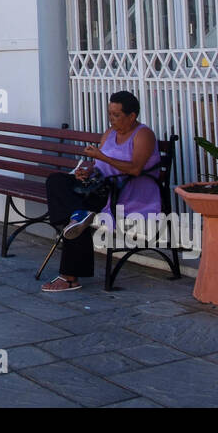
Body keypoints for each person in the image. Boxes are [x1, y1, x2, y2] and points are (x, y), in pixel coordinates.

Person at [41, 90, 162, 293]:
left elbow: (135, 169)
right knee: (56, 181)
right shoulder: (110, 133)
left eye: (116, 115)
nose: (112, 119)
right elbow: (98, 165)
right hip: (99, 185)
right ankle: (77, 221)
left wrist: (102, 158)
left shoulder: (143, 134)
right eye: (109, 114)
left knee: (77, 212)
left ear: (132, 116)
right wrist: (86, 172)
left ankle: (69, 276)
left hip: (123, 191)